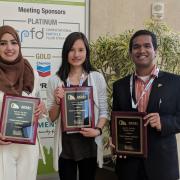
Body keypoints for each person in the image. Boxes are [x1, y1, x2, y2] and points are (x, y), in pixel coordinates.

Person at [111, 30, 180, 180]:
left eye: (147, 46)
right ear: (130, 53)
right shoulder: (120, 86)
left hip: (162, 166)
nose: (141, 50)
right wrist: (116, 142)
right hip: (128, 165)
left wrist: (164, 122)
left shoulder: (175, 83)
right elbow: (114, 120)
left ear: (155, 51)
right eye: (136, 47)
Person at [47, 32, 108, 180]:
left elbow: (104, 112)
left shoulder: (96, 78)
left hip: (89, 145)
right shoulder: (55, 80)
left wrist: (98, 131)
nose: (76, 54)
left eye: (81, 50)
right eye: (72, 50)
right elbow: (51, 118)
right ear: (65, 52)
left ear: (86, 52)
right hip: (66, 148)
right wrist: (57, 101)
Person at [0, 25, 46, 180]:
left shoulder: (31, 71)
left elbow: (37, 104)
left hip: (28, 146)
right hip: (3, 147)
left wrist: (41, 109)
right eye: (3, 43)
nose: (9, 48)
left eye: (13, 42)